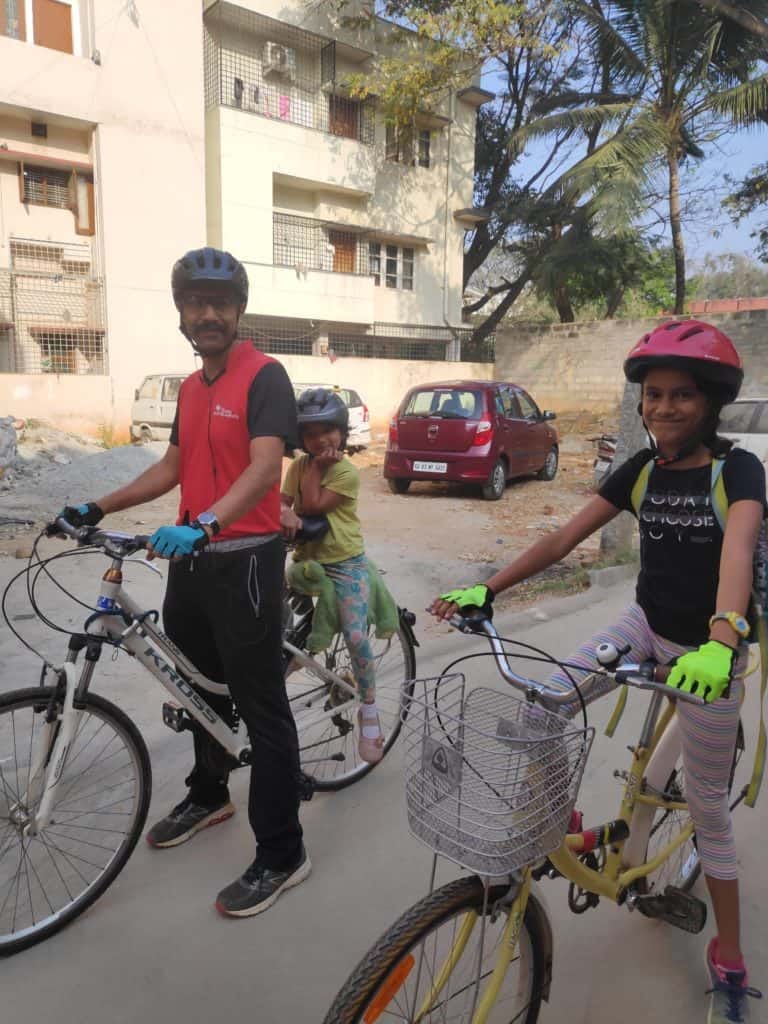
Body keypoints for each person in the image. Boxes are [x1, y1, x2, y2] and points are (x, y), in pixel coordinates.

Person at [431, 320, 765, 1023]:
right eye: (652, 395)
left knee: (708, 811)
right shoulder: (641, 470)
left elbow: (737, 551)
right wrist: (490, 588)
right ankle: (558, 822)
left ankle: (730, 960)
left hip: (708, 651)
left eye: (680, 395)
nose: (664, 407)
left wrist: (722, 638)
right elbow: (562, 536)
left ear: (709, 403)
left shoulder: (736, 470)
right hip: (644, 627)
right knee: (541, 703)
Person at [58, 247, 308, 918]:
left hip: (245, 561)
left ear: (239, 310)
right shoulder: (193, 388)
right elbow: (173, 465)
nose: (208, 314)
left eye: (220, 303)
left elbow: (263, 469)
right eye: (196, 303)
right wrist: (101, 505)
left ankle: (284, 852)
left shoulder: (265, 377)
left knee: (261, 707)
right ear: (181, 313)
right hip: (192, 563)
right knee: (197, 684)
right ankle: (210, 791)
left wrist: (205, 524)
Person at [280, 388, 384, 763]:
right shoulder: (296, 467)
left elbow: (311, 504)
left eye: (328, 430)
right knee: (276, 623)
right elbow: (286, 503)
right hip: (309, 562)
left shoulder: (344, 472)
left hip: (345, 564)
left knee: (356, 635)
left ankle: (369, 710)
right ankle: (290, 663)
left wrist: (319, 468)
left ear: (341, 431)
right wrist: (281, 512)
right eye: (310, 433)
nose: (320, 439)